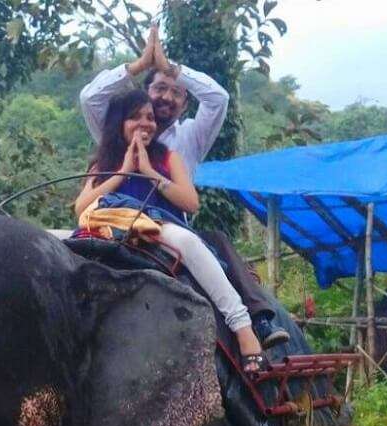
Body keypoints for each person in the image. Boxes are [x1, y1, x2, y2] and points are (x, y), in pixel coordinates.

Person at [80, 26, 288, 349]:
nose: (166, 97)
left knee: (214, 240)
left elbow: (218, 98)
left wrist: (170, 68)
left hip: (168, 225)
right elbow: (90, 99)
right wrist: (137, 66)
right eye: (160, 88)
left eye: (176, 93)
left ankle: (254, 321)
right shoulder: (113, 142)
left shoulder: (186, 140)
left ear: (185, 104)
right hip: (112, 221)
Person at [75, 91, 267, 374]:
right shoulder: (103, 162)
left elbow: (191, 202)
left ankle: (242, 326)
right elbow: (81, 208)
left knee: (187, 240)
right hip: (108, 226)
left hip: (156, 228)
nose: (145, 124)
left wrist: (149, 172)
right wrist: (124, 172)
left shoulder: (168, 157)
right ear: (119, 123)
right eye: (135, 117)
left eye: (150, 118)